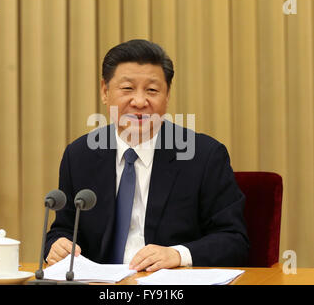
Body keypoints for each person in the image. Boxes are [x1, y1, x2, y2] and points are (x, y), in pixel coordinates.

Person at [45, 39, 249, 271]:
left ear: (167, 95)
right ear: (105, 91)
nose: (140, 102)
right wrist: (57, 245)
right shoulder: (80, 155)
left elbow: (234, 240)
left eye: (152, 90)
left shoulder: (203, 155)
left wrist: (178, 254)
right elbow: (63, 228)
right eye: (127, 89)